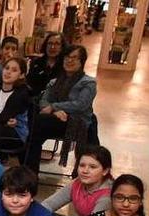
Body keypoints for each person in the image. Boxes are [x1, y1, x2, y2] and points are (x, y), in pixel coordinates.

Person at [25, 45, 96, 174]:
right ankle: (30, 173)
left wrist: (54, 107)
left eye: (74, 58)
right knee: (34, 126)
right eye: (67, 57)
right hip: (56, 120)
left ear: (82, 62)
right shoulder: (54, 82)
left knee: (37, 124)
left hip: (77, 123)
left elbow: (80, 105)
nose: (69, 61)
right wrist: (55, 112)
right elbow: (43, 101)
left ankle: (29, 171)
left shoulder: (88, 83)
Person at [41, 145, 112, 216]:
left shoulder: (106, 196)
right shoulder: (77, 183)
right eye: (82, 165)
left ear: (105, 171)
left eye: (92, 167)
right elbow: (49, 204)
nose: (85, 171)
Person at [0, 57, 31, 150]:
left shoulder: (22, 94)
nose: (8, 72)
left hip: (15, 132)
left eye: (14, 70)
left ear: (21, 75)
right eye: (6, 68)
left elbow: (4, 117)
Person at [26, 32, 65, 100]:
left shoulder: (65, 65)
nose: (52, 47)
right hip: (34, 100)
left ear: (62, 47)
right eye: (50, 43)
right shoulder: (36, 63)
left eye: (57, 44)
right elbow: (29, 82)